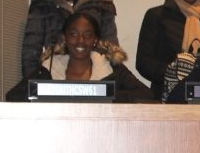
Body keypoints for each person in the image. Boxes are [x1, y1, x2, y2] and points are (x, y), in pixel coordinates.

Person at [9, 12, 151, 102]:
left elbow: (146, 94)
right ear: (64, 37)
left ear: (95, 40)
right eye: (73, 34)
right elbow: (14, 96)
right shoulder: (49, 68)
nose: (80, 41)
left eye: (87, 35)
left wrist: (104, 94)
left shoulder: (111, 68)